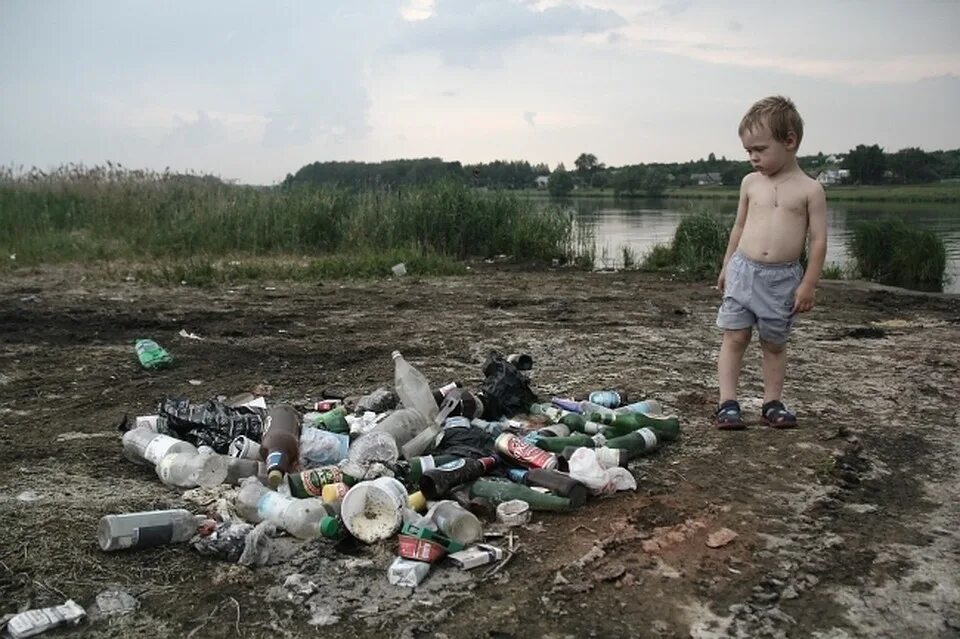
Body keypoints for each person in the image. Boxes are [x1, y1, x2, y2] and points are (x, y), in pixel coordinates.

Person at [714, 96, 827, 430]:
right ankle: (727, 403)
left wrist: (808, 284)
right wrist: (726, 264)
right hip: (743, 272)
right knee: (734, 337)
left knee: (774, 344)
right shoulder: (750, 183)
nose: (753, 158)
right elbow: (739, 226)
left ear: (789, 141)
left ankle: (771, 403)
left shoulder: (810, 190)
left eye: (760, 150)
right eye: (748, 151)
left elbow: (818, 240)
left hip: (782, 280)